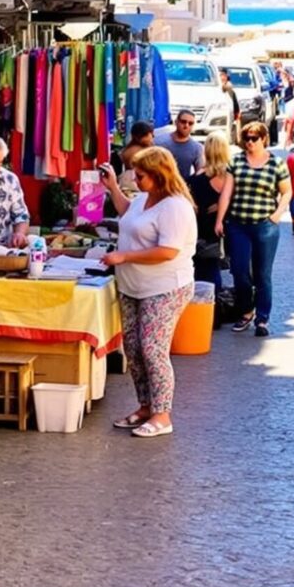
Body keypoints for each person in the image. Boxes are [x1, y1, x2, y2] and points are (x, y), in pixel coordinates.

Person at [104, 147, 199, 437]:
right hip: (133, 285)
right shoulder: (144, 198)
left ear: (159, 175)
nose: (136, 178)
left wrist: (124, 257)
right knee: (133, 349)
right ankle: (145, 406)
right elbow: (127, 214)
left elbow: (168, 251)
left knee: (153, 349)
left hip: (165, 286)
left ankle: (162, 415)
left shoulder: (175, 207)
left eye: (141, 175)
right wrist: (113, 188)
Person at [216, 121, 291, 337]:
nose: (249, 142)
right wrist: (220, 219)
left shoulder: (276, 164)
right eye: (246, 138)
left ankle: (263, 319)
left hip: (265, 226)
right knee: (239, 271)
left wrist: (277, 215)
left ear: (264, 139)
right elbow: (227, 193)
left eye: (254, 138)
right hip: (238, 224)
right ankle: (246, 311)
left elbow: (287, 192)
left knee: (262, 274)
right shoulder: (236, 161)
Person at [187, 133, 233, 288]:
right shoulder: (232, 175)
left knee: (203, 268)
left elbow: (193, 206)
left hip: (204, 230)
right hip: (230, 226)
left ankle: (206, 303)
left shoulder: (196, 179)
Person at [160, 110, 205, 181]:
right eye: (183, 122)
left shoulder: (197, 148)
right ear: (176, 122)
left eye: (190, 123)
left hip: (183, 188)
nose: (186, 125)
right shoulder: (160, 143)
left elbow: (200, 173)